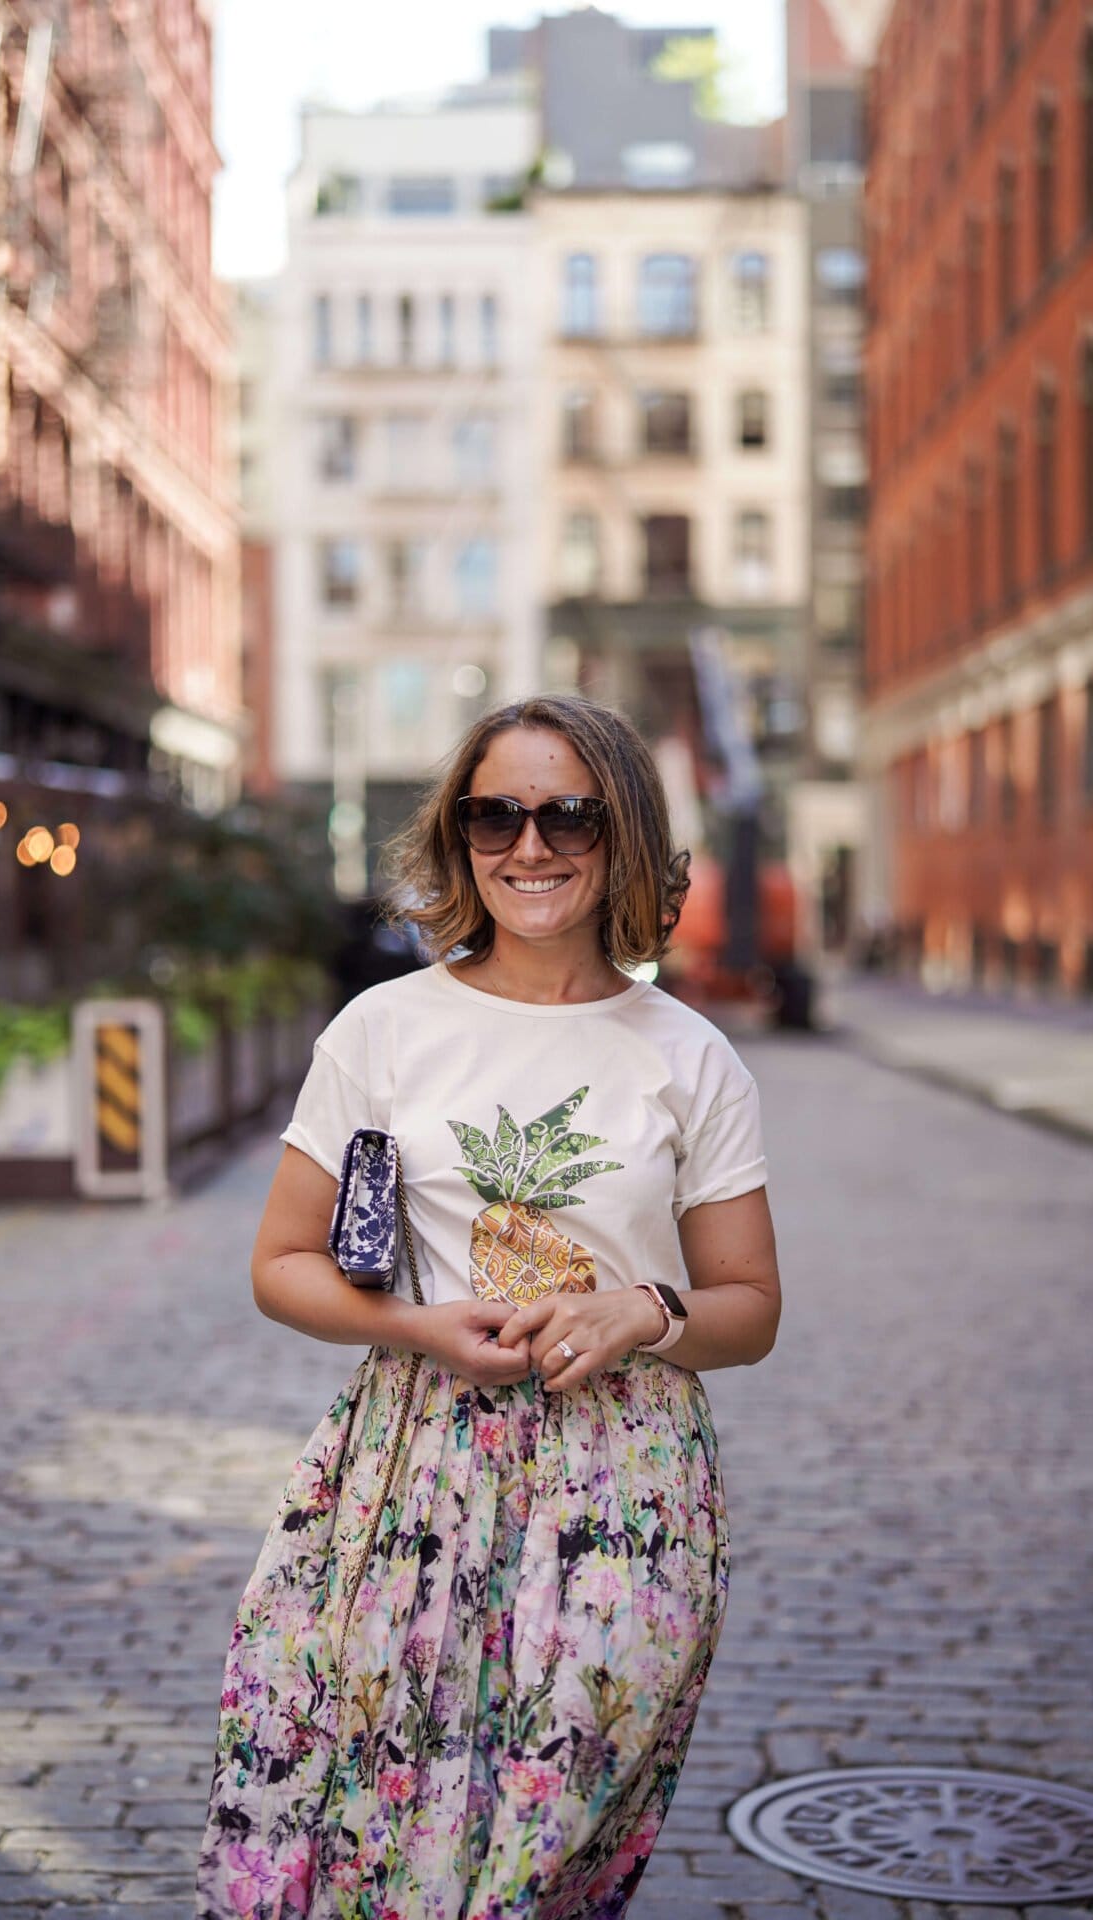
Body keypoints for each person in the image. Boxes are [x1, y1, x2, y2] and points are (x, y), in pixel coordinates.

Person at [196, 693, 781, 1920]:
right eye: (493, 816)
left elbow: (750, 1306)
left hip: (624, 1491)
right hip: (409, 1472)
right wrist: (415, 1325)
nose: (530, 846)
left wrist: (644, 1312)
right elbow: (284, 1263)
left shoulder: (688, 1056)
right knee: (371, 1806)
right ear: (458, 837)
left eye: (567, 813)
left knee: (546, 1840)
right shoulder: (386, 1030)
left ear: (620, 832)